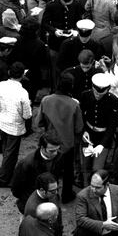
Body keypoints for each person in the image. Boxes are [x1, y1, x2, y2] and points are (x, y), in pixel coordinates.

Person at [34, 73, 84, 203]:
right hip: (68, 145)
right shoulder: (74, 104)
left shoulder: (46, 100)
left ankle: (51, 194)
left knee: (51, 171)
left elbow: (38, 122)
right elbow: (79, 128)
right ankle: (67, 194)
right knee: (68, 172)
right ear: (71, 87)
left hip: (50, 144)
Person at [0, 62, 33, 188]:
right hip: (15, 128)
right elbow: (27, 115)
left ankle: (5, 171)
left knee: (6, 151)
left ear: (9, 73)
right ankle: (4, 179)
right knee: (11, 154)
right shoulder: (23, 93)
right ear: (22, 75)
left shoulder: (0, 85)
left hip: (2, 123)